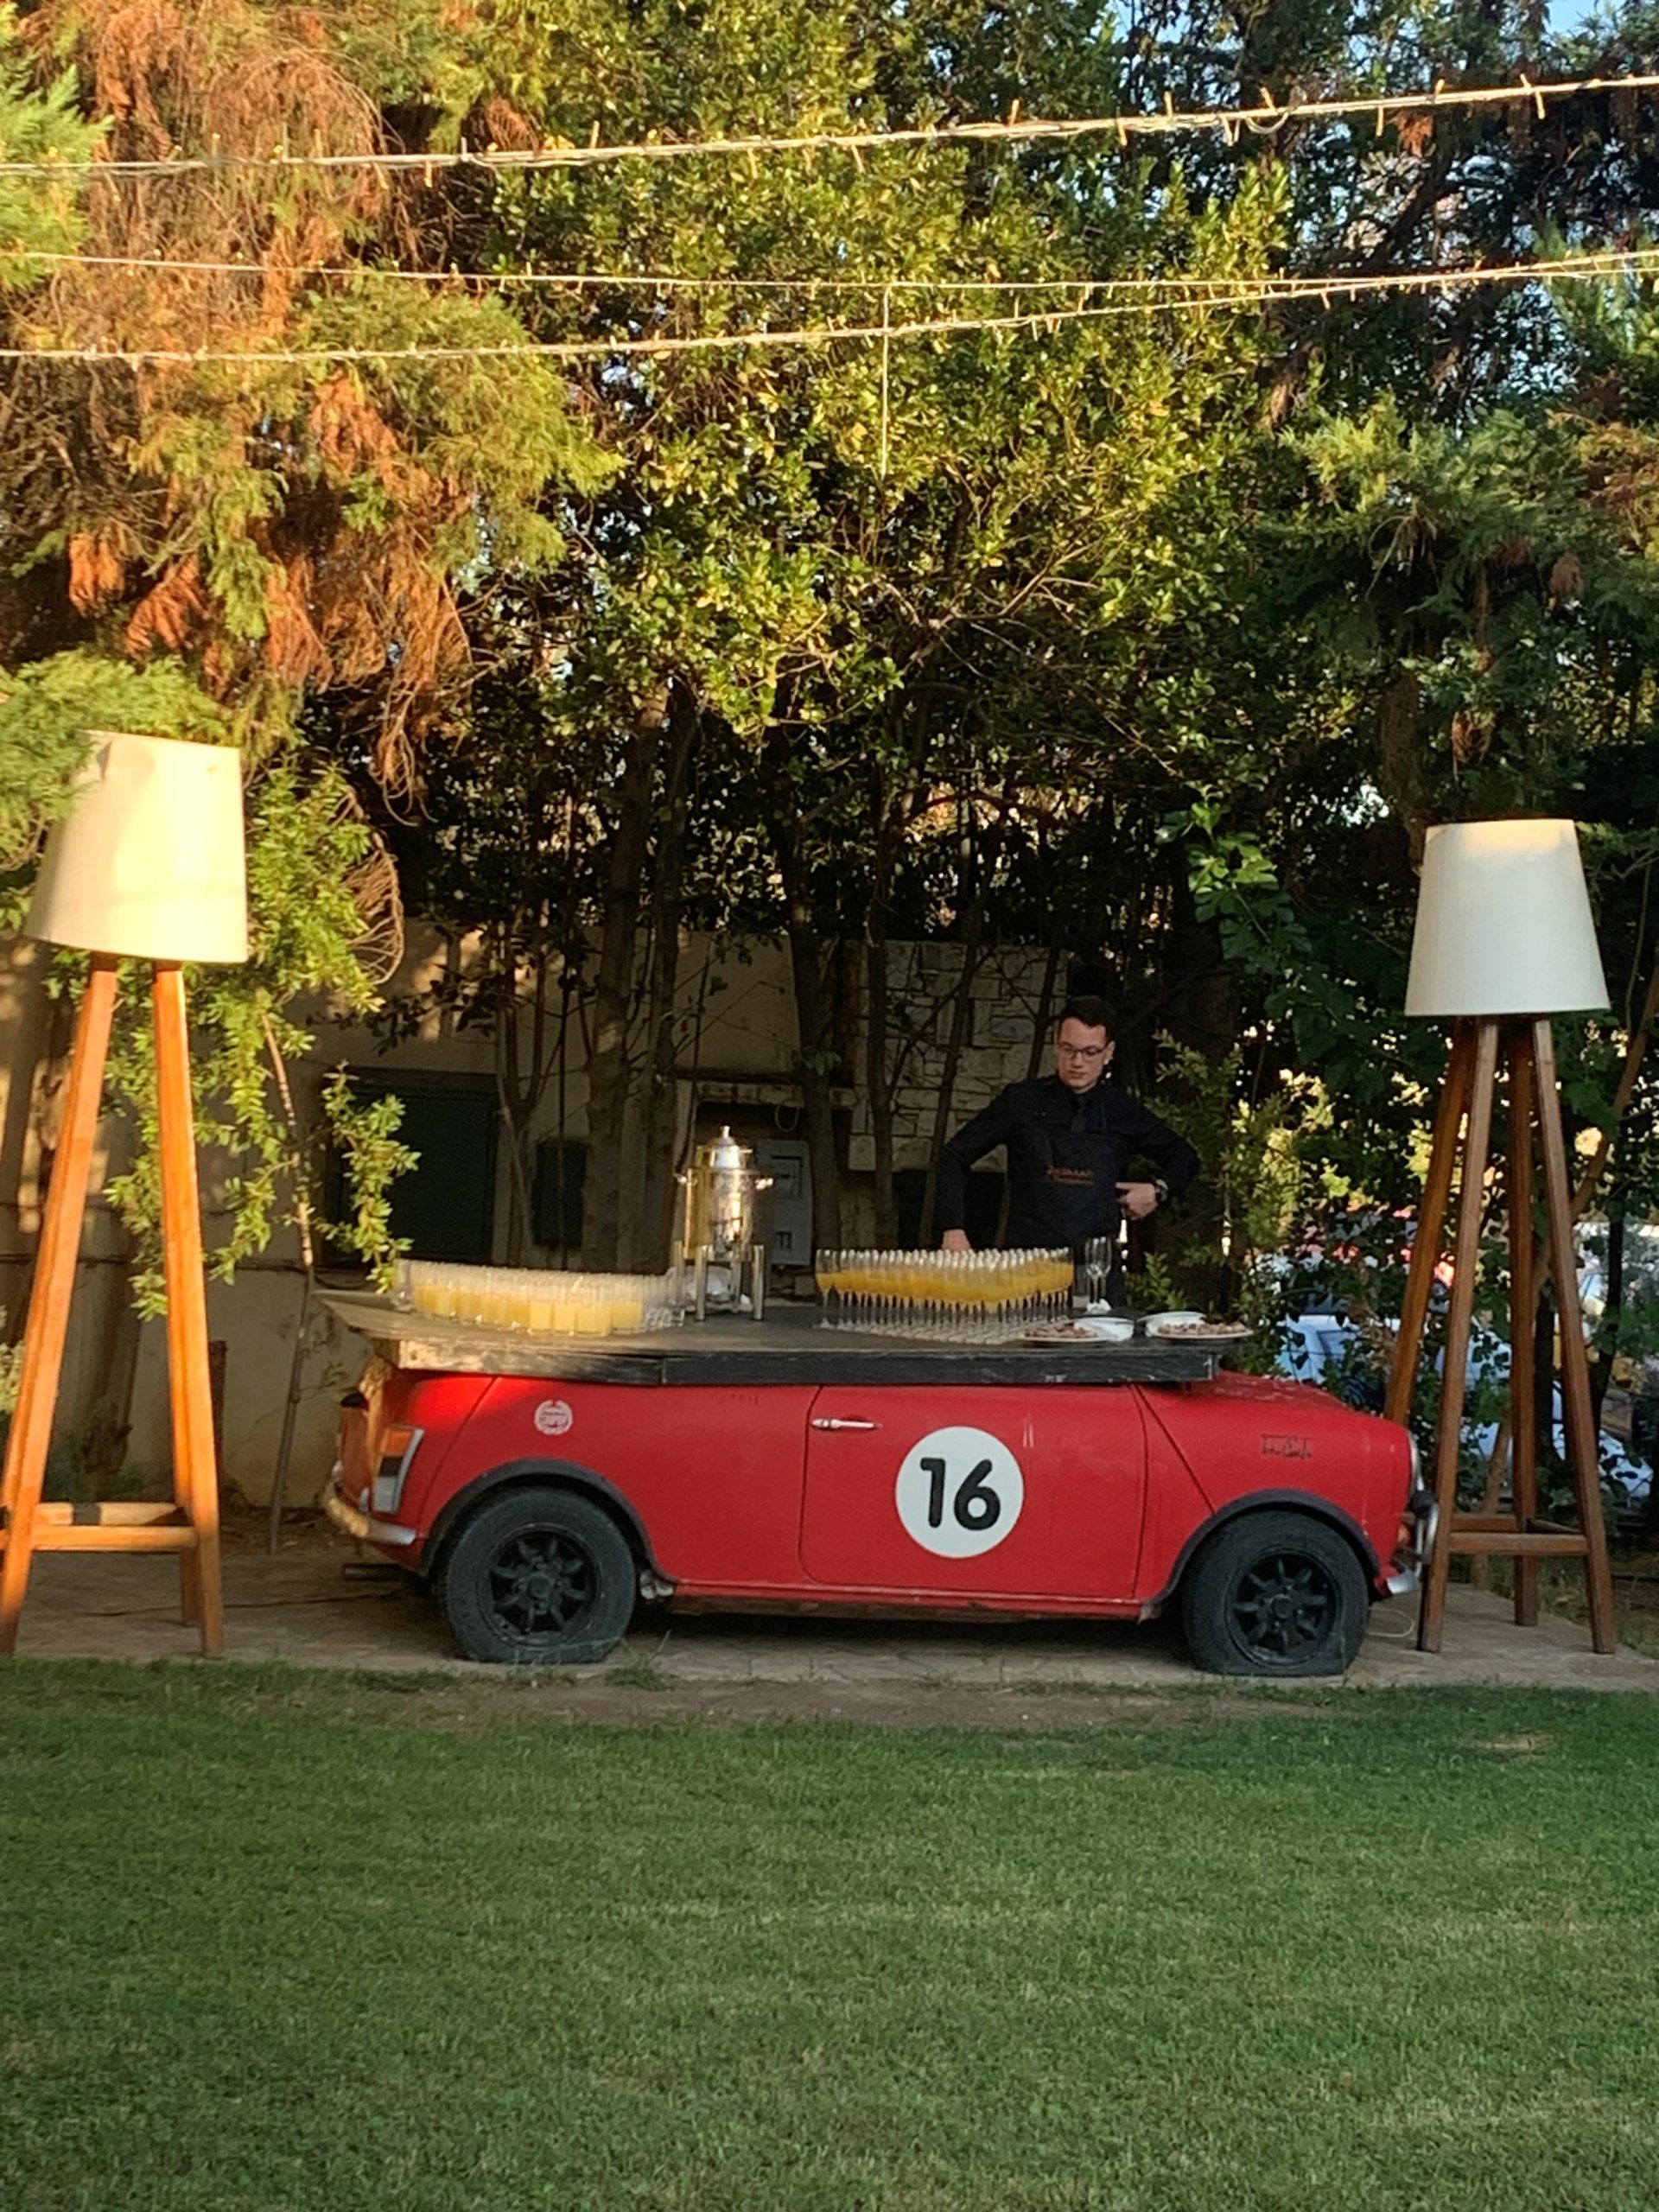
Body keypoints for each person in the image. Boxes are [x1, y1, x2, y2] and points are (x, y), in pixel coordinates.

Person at [935, 995, 1198, 1281]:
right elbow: (954, 1156)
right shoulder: (1021, 1102)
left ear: (1109, 1052)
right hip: (1027, 1270)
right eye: (1068, 1049)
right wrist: (953, 1229)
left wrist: (1159, 1191)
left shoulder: (1122, 1111)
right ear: (1055, 1045)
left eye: (1090, 1052)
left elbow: (1184, 1157)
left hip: (1097, 1273)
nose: (1077, 1062)